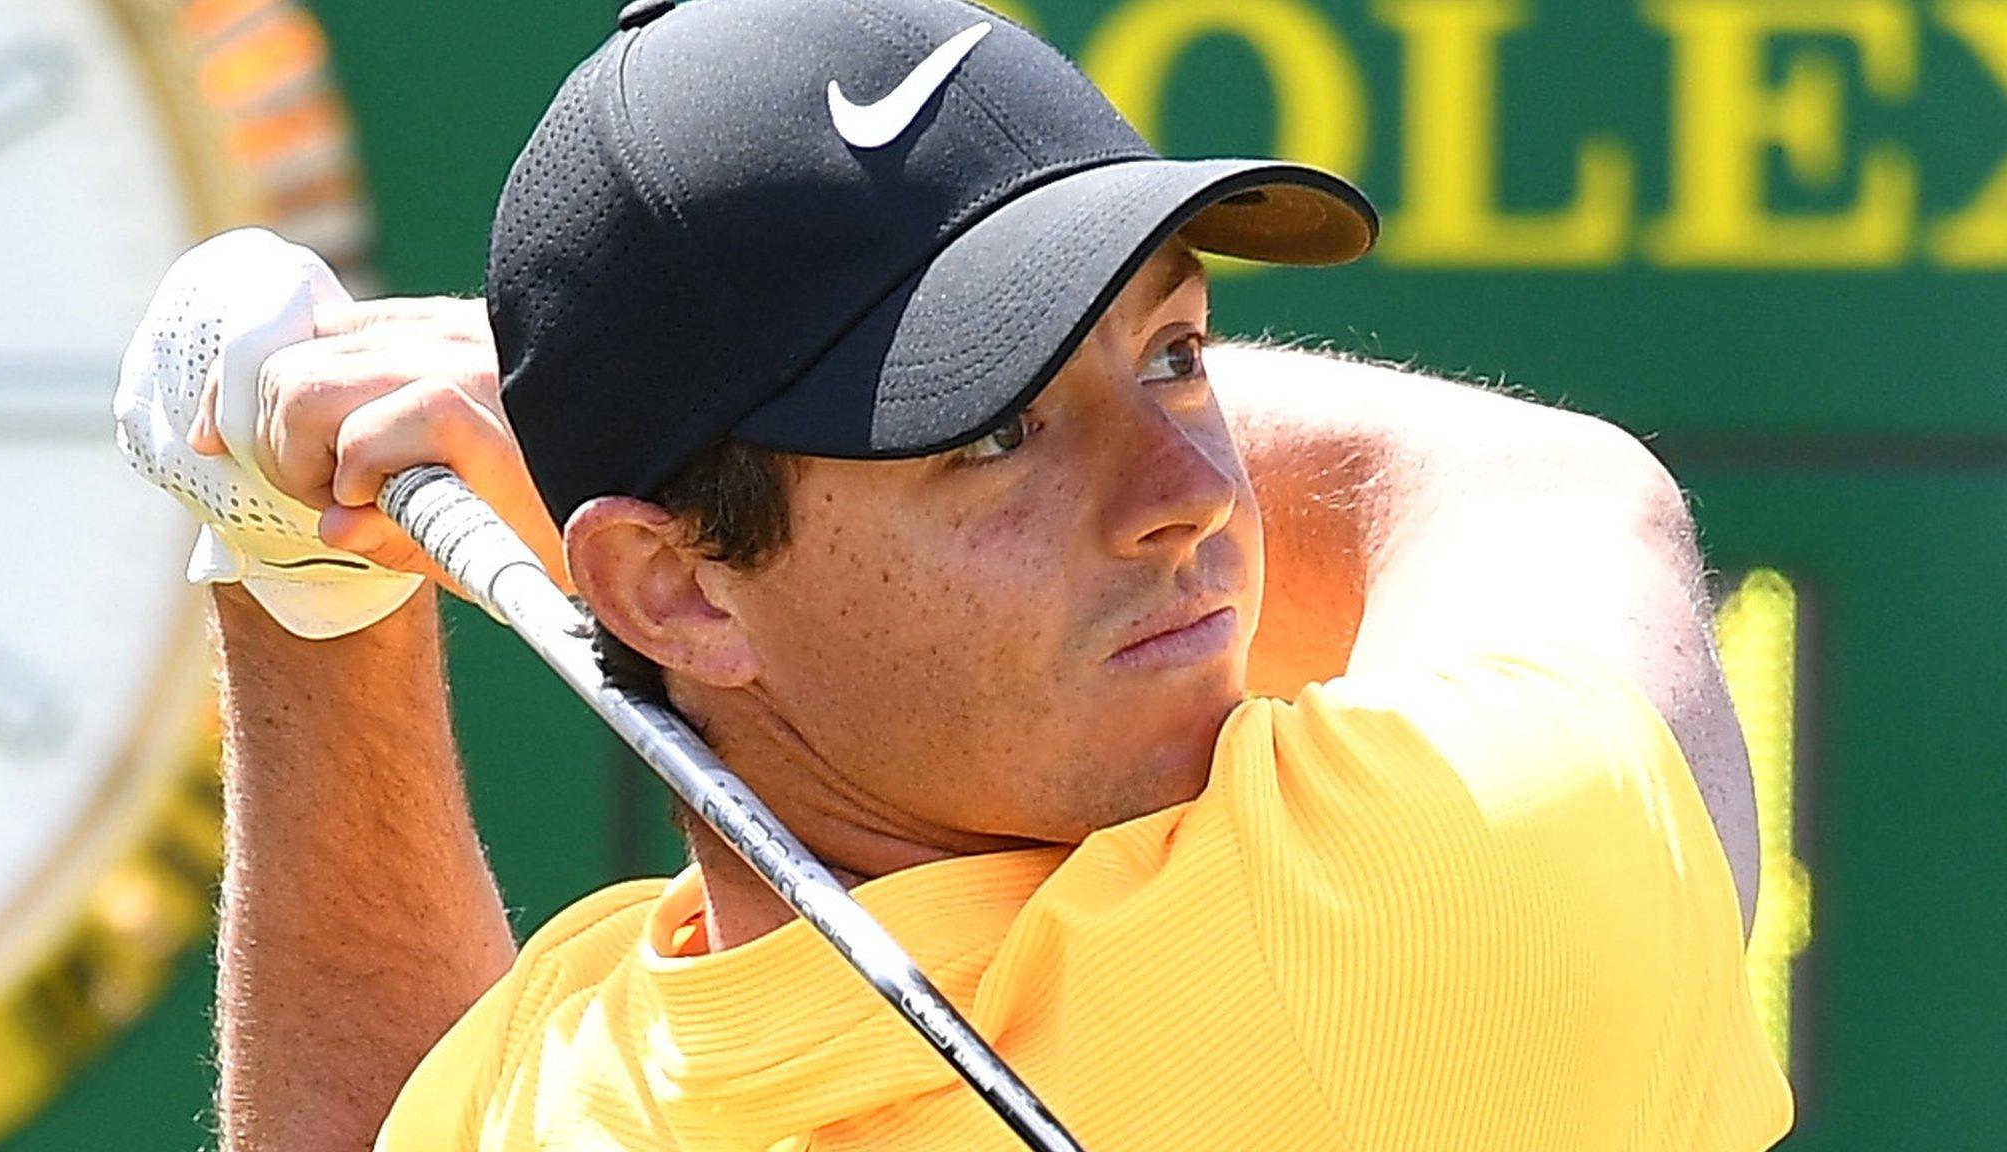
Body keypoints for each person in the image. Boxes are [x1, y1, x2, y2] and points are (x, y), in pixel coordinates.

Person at [140, 0, 1793, 1148]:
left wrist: (313, 591)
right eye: (996, 432)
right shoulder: (1439, 895)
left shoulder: (579, 1091)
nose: (1188, 494)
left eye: (1174, 352)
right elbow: (1551, 489)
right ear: (677, 592)